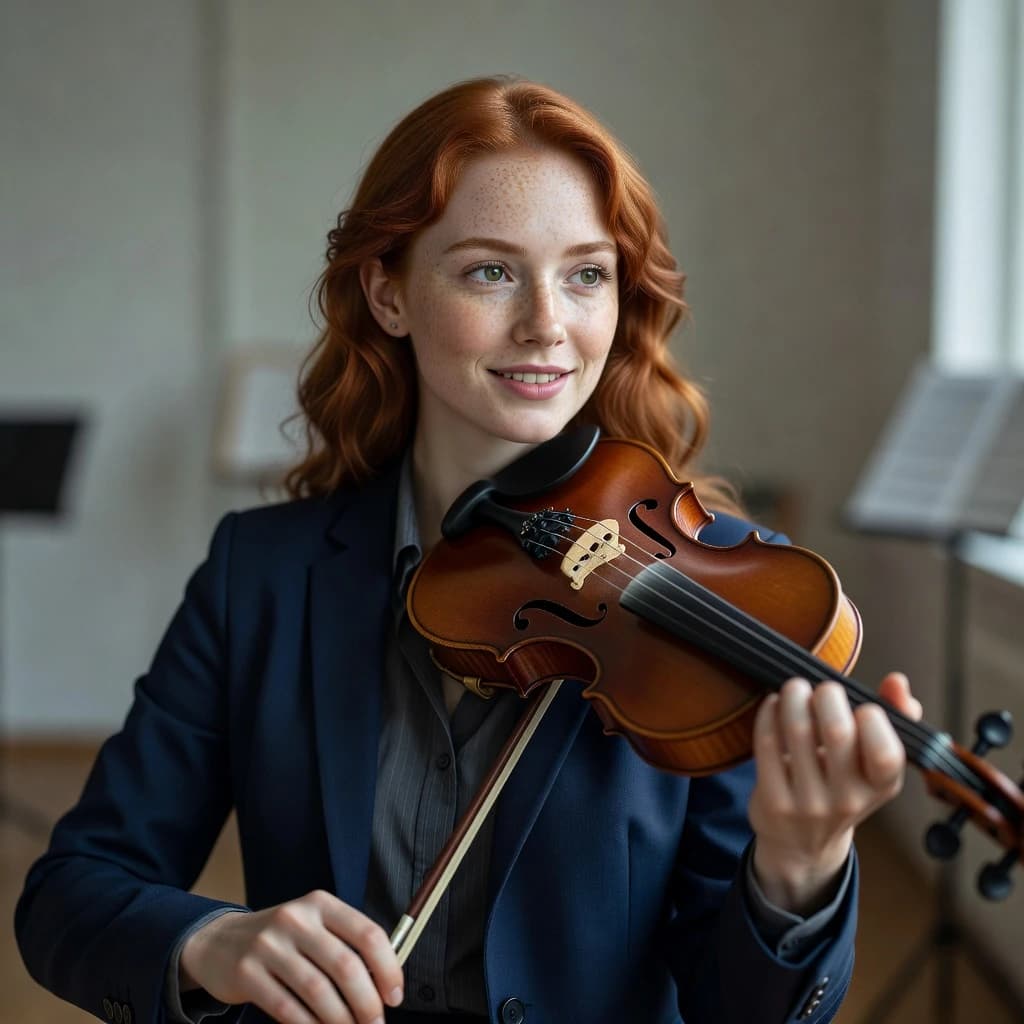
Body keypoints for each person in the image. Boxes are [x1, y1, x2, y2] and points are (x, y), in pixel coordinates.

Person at [16, 76, 922, 1024]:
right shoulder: (264, 576)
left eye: (586, 273)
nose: (548, 324)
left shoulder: (729, 596)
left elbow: (748, 1012)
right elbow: (71, 893)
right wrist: (211, 941)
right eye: (490, 271)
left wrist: (799, 867)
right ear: (389, 293)